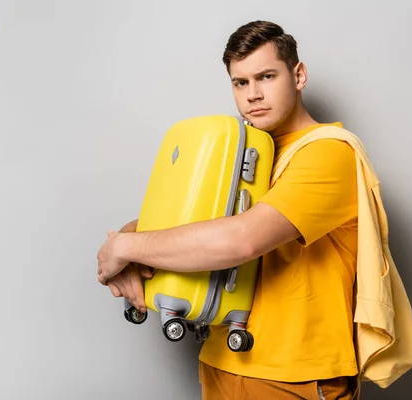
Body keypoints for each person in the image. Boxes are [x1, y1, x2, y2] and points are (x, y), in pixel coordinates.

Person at [97, 20, 361, 399]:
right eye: (240, 82)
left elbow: (240, 239)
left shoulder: (329, 152)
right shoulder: (246, 151)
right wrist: (125, 239)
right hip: (223, 360)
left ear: (298, 75)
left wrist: (125, 249)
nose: (253, 94)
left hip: (296, 376)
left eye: (266, 76)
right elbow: (181, 221)